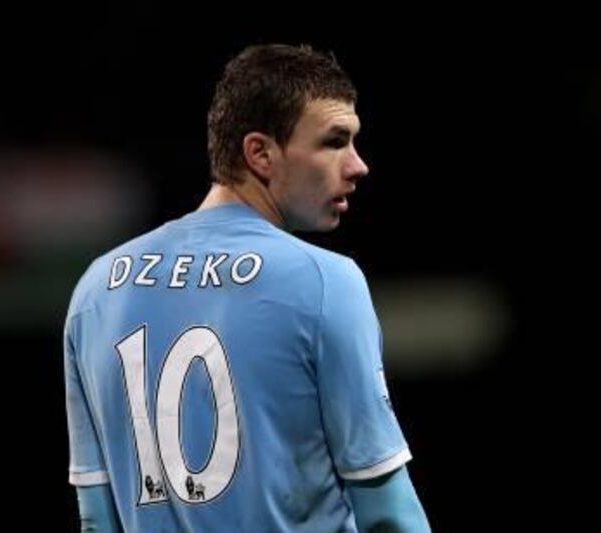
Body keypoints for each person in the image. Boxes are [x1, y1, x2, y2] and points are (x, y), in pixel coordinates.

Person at [64, 43, 431, 532]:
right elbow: (387, 515)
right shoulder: (325, 282)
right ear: (259, 152)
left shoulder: (96, 290)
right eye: (334, 141)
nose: (357, 165)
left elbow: (96, 520)